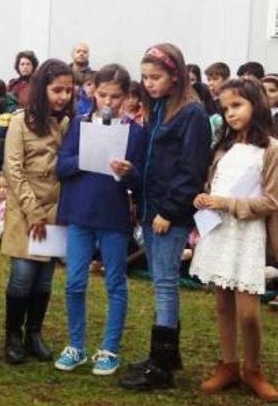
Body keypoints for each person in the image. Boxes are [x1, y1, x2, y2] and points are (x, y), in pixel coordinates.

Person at [119, 43, 211, 391]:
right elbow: (154, 162)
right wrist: (132, 174)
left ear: (175, 76)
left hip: (168, 214)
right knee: (162, 282)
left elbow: (190, 170)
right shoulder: (158, 109)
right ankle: (166, 355)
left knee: (165, 286)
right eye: (144, 77)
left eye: (155, 77)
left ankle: (161, 368)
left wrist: (169, 212)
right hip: (150, 206)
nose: (149, 83)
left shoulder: (193, 115)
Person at [53, 64, 146, 376]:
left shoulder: (135, 131)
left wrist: (128, 171)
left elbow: (140, 179)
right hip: (80, 213)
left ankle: (109, 348)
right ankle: (76, 344)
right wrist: (85, 158)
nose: (108, 102)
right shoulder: (79, 125)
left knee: (115, 283)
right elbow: (61, 167)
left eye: (116, 97)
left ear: (127, 98)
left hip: (114, 217)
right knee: (74, 282)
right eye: (102, 94)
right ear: (92, 91)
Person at [190, 78, 278, 401]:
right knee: (222, 305)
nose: (229, 113)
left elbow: (271, 202)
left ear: (257, 104)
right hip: (218, 232)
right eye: (225, 108)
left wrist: (226, 204)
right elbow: (215, 187)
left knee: (249, 313)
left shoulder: (271, 149)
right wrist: (204, 198)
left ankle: (253, 368)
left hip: (248, 235)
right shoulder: (222, 148)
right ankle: (228, 364)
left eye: (237, 105)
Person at [1, 59, 75, 365]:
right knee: (22, 275)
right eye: (57, 89)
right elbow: (13, 169)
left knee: (45, 279)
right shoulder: (19, 121)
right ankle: (13, 335)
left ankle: (34, 333)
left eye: (69, 90)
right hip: (25, 209)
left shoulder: (71, 123)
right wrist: (33, 211)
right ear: (42, 88)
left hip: (56, 208)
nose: (63, 96)